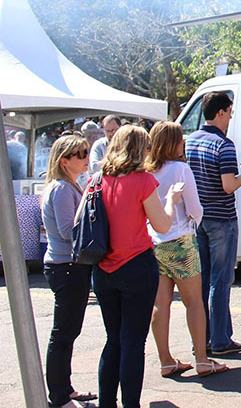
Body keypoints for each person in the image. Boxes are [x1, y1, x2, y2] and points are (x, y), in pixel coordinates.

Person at [92, 125, 183, 408]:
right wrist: (170, 201)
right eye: (146, 148)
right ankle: (131, 403)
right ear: (138, 150)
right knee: (133, 341)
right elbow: (163, 225)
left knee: (113, 339)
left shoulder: (97, 178)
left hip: (103, 267)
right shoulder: (143, 181)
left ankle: (107, 402)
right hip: (136, 266)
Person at [145, 122, 227, 378]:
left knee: (160, 304)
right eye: (181, 140)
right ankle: (202, 359)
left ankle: (166, 360)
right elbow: (195, 208)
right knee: (194, 302)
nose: (184, 144)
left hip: (154, 242)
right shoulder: (181, 169)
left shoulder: (147, 171)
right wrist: (193, 221)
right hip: (181, 240)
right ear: (174, 143)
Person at [185, 91, 241, 356]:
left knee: (203, 281)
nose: (230, 117)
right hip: (221, 219)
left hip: (198, 219)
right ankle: (220, 339)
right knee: (221, 280)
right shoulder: (224, 145)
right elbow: (229, 185)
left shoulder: (190, 142)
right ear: (220, 113)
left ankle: (202, 338)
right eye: (229, 112)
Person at [40, 134, 96, 408]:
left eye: (86, 152)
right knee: (63, 334)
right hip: (67, 266)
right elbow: (66, 230)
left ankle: (64, 391)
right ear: (65, 161)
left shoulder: (66, 186)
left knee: (67, 333)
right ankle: (59, 395)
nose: (87, 158)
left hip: (67, 266)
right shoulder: (63, 189)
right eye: (81, 154)